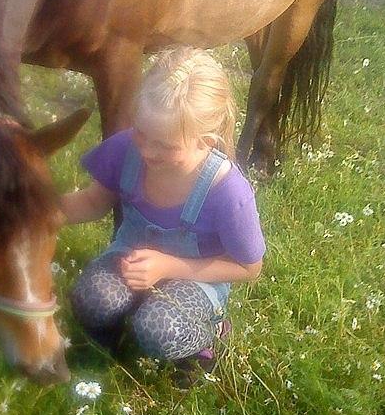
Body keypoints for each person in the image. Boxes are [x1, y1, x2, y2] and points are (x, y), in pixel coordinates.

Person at [60, 47, 265, 388]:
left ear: (205, 141)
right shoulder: (126, 150)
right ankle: (112, 338)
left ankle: (205, 340)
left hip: (197, 279)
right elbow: (95, 201)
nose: (146, 150)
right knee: (89, 299)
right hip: (131, 261)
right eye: (141, 132)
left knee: (159, 328)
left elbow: (250, 268)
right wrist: (37, 212)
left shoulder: (228, 192)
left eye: (166, 146)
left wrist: (167, 267)